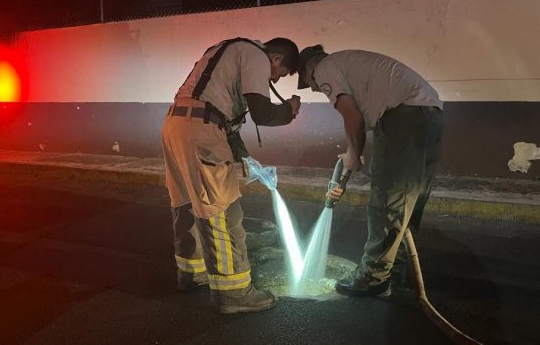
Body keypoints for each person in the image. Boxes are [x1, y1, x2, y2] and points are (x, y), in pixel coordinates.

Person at [162, 37, 301, 313]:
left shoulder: (225, 50)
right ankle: (234, 292)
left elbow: (225, 117)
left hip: (176, 126)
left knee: (188, 204)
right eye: (280, 74)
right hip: (202, 131)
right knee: (222, 212)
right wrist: (289, 110)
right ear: (276, 59)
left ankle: (191, 273)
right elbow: (262, 113)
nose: (275, 78)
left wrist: (247, 158)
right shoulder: (256, 57)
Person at [297, 45, 444, 297]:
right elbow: (359, 120)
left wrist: (354, 153)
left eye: (309, 83)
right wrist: (352, 150)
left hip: (404, 115)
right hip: (429, 113)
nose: (314, 88)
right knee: (410, 197)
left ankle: (373, 277)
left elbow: (351, 116)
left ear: (310, 69)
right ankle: (394, 268)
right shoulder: (348, 62)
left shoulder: (324, 68)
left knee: (388, 200)